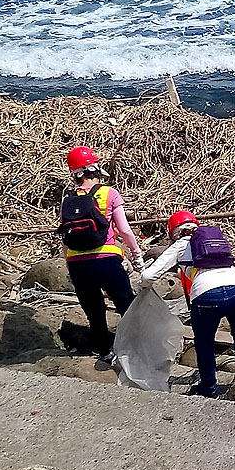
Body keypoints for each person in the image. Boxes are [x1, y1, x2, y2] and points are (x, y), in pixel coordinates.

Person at [140, 211, 235, 398]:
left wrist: (142, 289)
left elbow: (148, 275)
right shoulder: (212, 239)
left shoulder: (180, 245)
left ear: (174, 232)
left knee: (205, 343)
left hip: (207, 294)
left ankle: (210, 390)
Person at [59, 146, 143, 363]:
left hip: (77, 263)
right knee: (127, 306)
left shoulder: (67, 199)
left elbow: (64, 235)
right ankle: (135, 351)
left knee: (94, 310)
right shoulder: (109, 193)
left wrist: (69, 265)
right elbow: (124, 230)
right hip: (106, 259)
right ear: (95, 169)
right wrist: (137, 254)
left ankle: (103, 351)